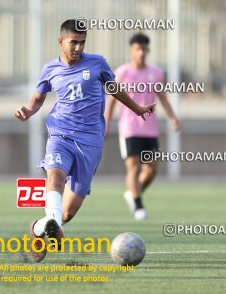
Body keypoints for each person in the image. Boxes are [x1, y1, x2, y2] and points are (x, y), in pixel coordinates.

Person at [14, 19, 156, 262]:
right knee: (55, 176)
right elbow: (38, 98)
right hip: (60, 134)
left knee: (66, 213)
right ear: (61, 41)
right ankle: (51, 225)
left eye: (82, 43)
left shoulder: (97, 63)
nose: (78, 48)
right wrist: (28, 110)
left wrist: (137, 109)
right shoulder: (50, 69)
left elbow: (114, 89)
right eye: (73, 42)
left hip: (90, 141)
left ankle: (39, 228)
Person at [104, 33, 180, 220]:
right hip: (129, 128)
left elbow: (162, 97)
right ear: (132, 50)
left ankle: (133, 193)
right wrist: (105, 124)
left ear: (148, 50)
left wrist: (172, 117)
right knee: (133, 167)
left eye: (144, 49)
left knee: (152, 169)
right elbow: (112, 101)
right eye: (137, 49)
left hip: (150, 129)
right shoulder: (122, 72)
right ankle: (138, 205)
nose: (141, 53)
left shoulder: (156, 73)